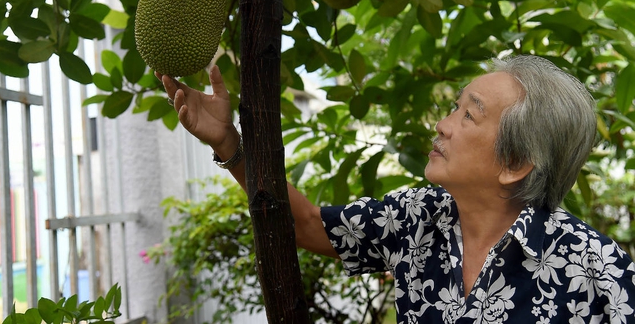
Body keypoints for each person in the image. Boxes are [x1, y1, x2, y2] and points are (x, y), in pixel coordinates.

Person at [157, 55, 635, 324]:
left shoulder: (600, 275)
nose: (443, 126)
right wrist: (231, 144)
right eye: (454, 106)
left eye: (468, 114)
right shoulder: (417, 217)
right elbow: (303, 224)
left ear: (513, 164)